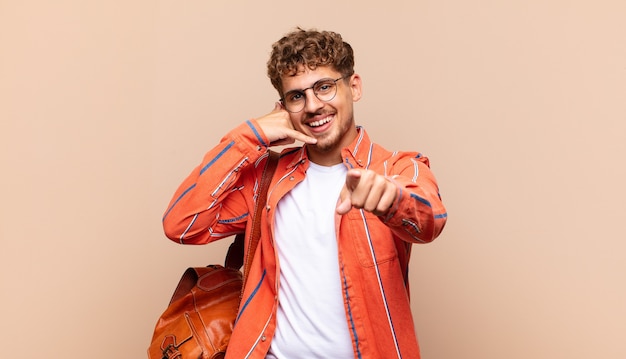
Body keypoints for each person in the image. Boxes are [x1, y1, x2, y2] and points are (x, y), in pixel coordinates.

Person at [162, 28, 447, 359]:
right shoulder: (265, 181)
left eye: (324, 87)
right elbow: (181, 224)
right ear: (282, 107)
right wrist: (249, 136)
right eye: (297, 96)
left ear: (354, 87)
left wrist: (393, 201)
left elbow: (430, 219)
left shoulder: (396, 168)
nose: (313, 106)